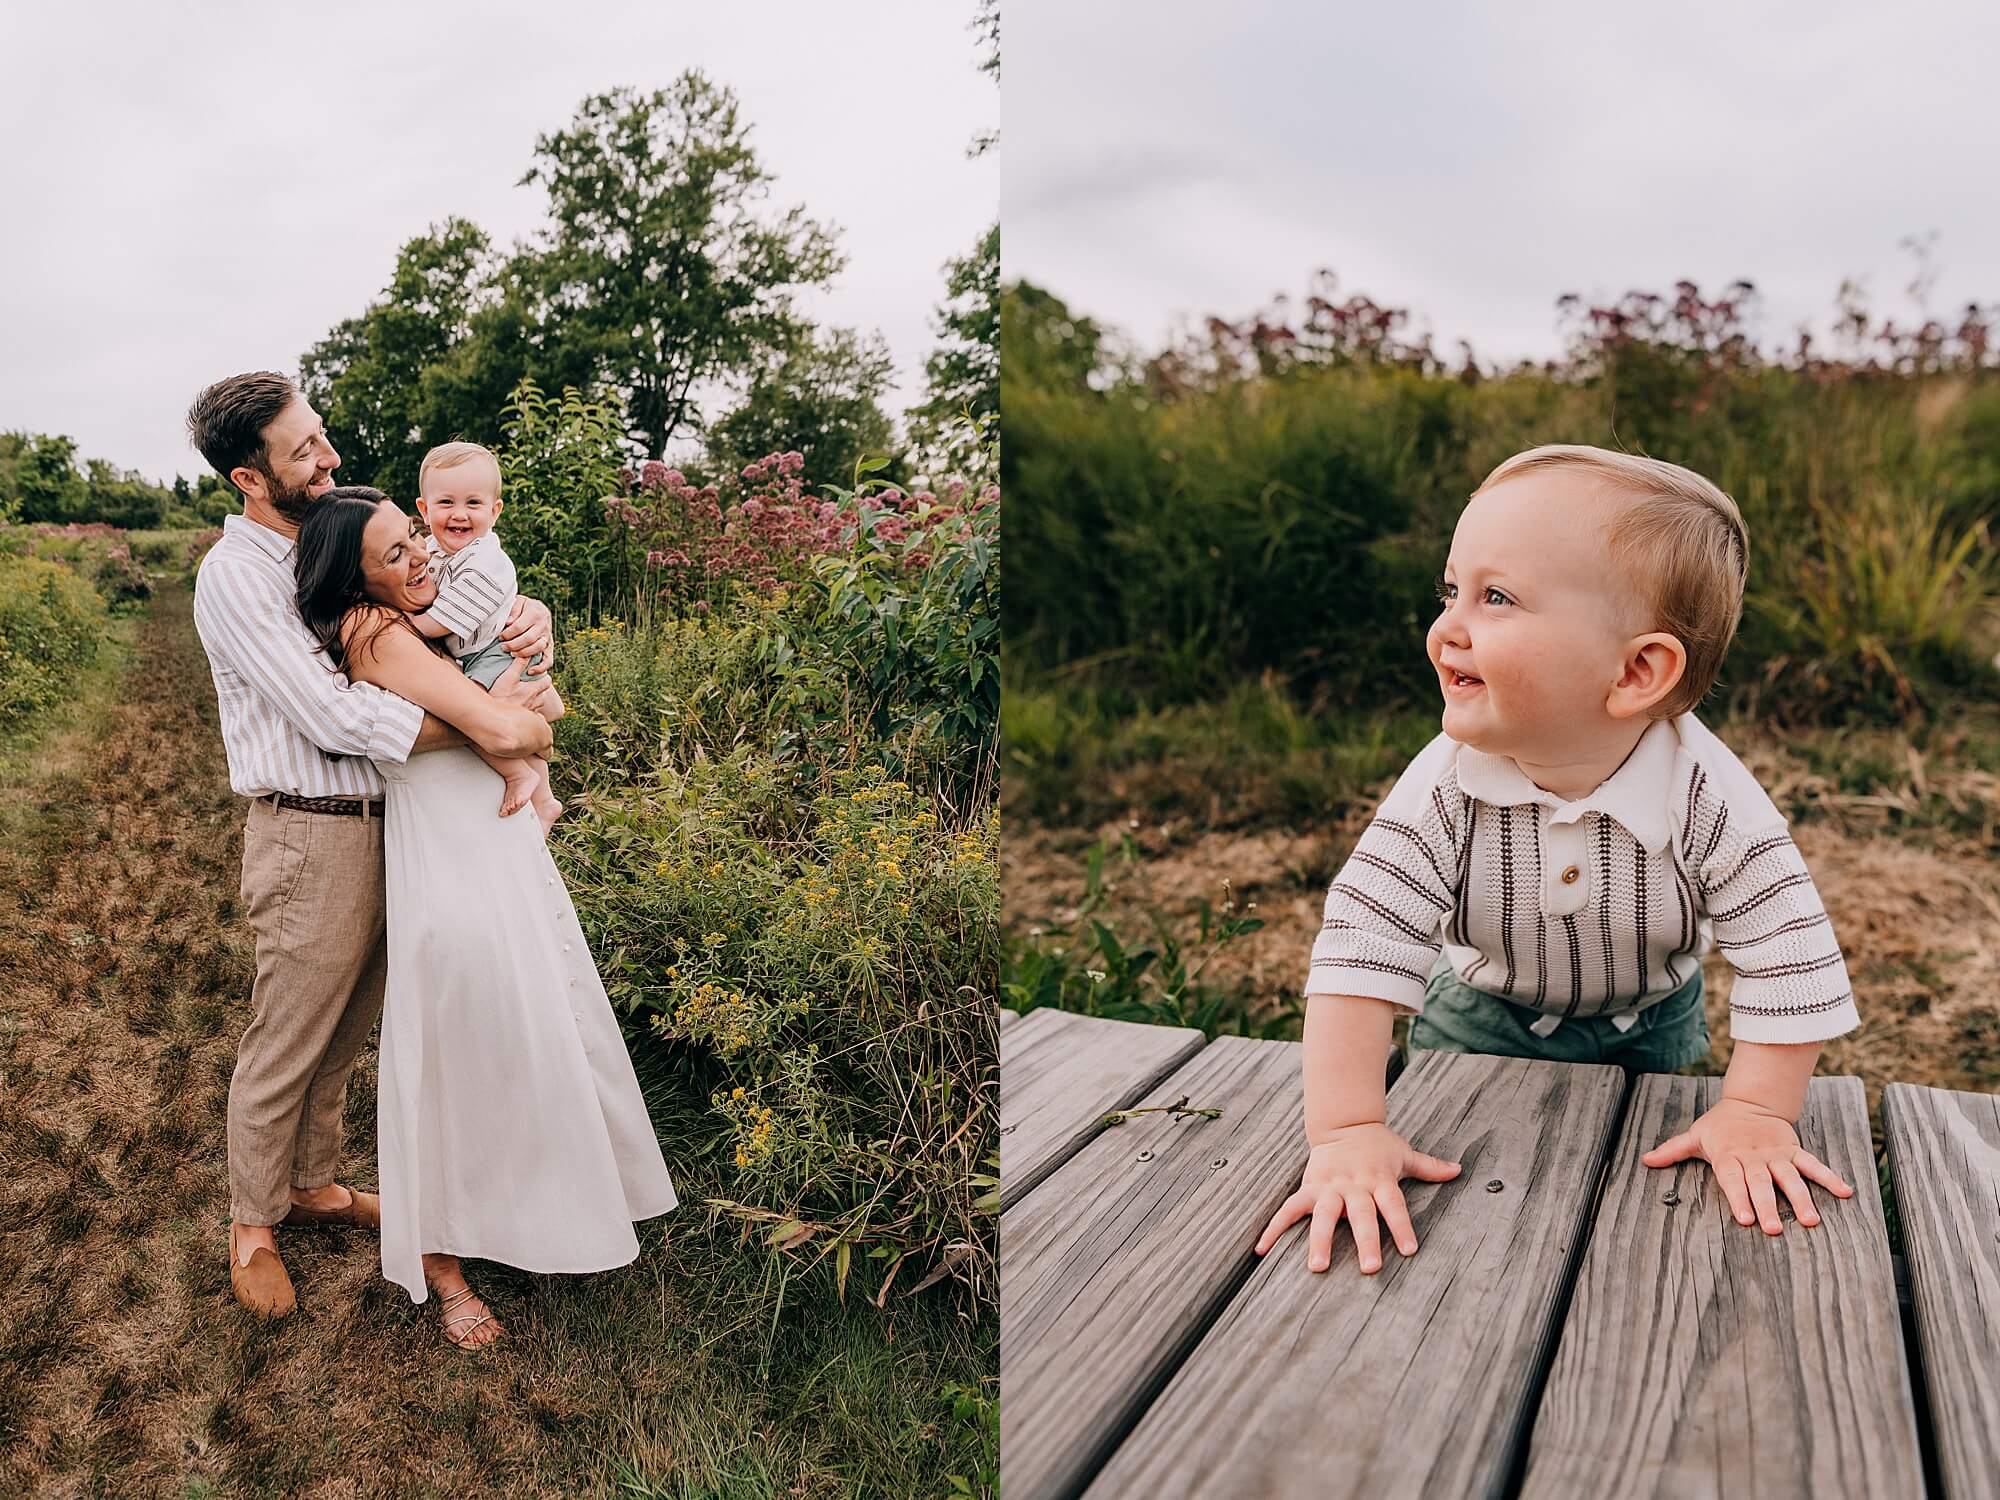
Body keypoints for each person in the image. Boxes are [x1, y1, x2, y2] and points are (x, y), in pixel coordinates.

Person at [1255, 445, 1861, 1279]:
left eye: (1495, 597)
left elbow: (1788, 947)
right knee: (1477, 1211)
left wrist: (1756, 1111)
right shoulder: (1444, 784)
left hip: (1649, 1021)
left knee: (1634, 1212)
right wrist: (1349, 1132)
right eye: (1451, 590)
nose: (1447, 628)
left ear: (1638, 670)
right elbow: (1363, 945)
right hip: (1480, 1012)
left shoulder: (1709, 794)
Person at [187, 371, 557, 1322]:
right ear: (249, 478)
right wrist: (488, 724)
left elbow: (427, 619)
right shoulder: (236, 576)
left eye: (321, 437)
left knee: (351, 1023)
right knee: (290, 1031)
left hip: (388, 823)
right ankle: (253, 1225)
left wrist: (529, 625)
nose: (329, 456)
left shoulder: (328, 540)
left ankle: (313, 1185)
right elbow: (337, 713)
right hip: (309, 829)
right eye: (304, 449)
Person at [295, 486, 678, 1350]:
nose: (421, 556)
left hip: (495, 848)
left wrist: (525, 685)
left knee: (527, 1032)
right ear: (354, 578)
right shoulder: (372, 630)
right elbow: (518, 732)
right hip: (451, 864)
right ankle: (440, 1260)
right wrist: (518, 716)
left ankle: (536, 1211)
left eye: (416, 539)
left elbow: (543, 711)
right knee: (456, 1047)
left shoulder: (431, 614)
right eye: (395, 553)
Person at [405, 439, 564, 835]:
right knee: (486, 711)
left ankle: (525, 781)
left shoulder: (485, 562)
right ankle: (541, 794)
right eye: (446, 503)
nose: (459, 514)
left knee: (472, 711)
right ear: (424, 510)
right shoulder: (431, 551)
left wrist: (398, 627)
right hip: (476, 651)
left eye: (473, 504)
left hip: (497, 652)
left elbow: (440, 622)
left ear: (495, 511)